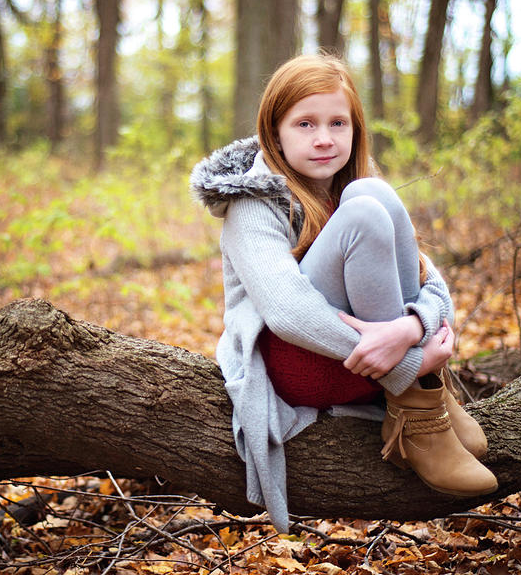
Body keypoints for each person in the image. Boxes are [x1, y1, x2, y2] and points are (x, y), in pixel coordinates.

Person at [190, 53, 496, 533]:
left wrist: (410, 327)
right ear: (275, 133)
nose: (324, 138)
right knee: (365, 216)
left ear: (356, 129)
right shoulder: (250, 207)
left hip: (373, 358)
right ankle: (418, 408)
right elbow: (288, 314)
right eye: (305, 123)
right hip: (301, 364)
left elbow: (433, 283)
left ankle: (423, 401)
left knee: (375, 201)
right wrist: (411, 362)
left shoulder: (359, 187)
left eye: (338, 122)